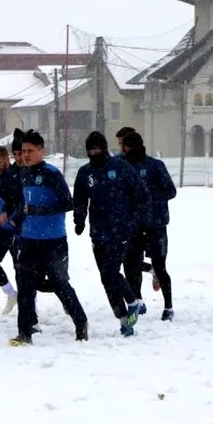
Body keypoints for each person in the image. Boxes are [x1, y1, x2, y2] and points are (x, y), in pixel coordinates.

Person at [9, 130, 88, 346]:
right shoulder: (23, 174)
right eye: (23, 151)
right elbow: (25, 203)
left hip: (52, 241)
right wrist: (18, 216)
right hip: (28, 239)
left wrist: (39, 210)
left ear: (41, 151)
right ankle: (24, 333)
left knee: (60, 284)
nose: (25, 155)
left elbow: (67, 203)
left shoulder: (52, 174)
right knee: (25, 287)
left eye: (30, 151)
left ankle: (81, 322)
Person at [73, 131, 149, 337]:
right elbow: (79, 199)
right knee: (106, 279)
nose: (94, 152)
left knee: (110, 271)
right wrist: (79, 218)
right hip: (98, 231)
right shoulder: (85, 173)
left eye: (98, 148)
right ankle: (124, 319)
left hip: (121, 230)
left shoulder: (121, 167)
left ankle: (133, 301)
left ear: (105, 148)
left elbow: (141, 195)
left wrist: (136, 221)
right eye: (90, 149)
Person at [119, 132, 177, 321]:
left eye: (127, 146)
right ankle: (137, 301)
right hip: (131, 225)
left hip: (155, 224)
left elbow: (170, 190)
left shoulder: (155, 166)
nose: (124, 149)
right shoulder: (121, 166)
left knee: (160, 266)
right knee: (130, 266)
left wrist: (147, 195)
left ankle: (168, 306)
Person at [0, 140, 23, 315]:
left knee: (21, 269)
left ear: (7, 159)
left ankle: (29, 307)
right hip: (0, 228)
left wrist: (14, 216)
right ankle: (11, 294)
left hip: (17, 229)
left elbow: (20, 200)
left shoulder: (17, 175)